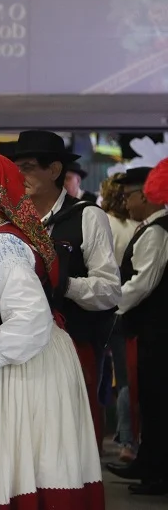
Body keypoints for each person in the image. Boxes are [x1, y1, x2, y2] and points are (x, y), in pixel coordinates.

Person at [0, 153, 103, 509]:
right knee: (43, 457)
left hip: (25, 362)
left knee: (29, 459)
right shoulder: (11, 237)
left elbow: (31, 316)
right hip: (38, 356)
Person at [2, 130, 121, 449]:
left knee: (72, 436)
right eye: (15, 168)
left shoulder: (87, 216)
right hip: (17, 351)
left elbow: (110, 290)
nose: (19, 176)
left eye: (26, 167)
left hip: (74, 343)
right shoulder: (9, 220)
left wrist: (63, 283)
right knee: (24, 438)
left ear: (54, 170)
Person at [105, 166, 168, 496]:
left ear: (145, 195)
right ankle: (149, 462)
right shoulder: (150, 228)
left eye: (128, 195)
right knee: (149, 398)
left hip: (156, 331)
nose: (125, 203)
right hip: (149, 329)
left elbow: (141, 284)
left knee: (156, 400)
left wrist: (108, 306)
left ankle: (156, 471)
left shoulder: (157, 232)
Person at [99, 173, 139, 463]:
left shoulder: (103, 224)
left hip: (102, 308)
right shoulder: (140, 228)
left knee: (98, 376)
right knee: (126, 377)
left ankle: (100, 436)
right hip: (131, 308)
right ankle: (128, 439)